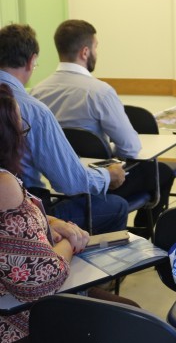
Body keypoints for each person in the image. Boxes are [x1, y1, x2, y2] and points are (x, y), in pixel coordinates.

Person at [0, 83, 138, 343]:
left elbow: (11, 226)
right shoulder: (3, 184)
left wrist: (51, 222)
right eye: (20, 130)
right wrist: (71, 244)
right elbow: (43, 280)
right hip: (11, 328)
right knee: (132, 321)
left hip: (12, 307)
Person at [31, 19, 174, 229]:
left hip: (54, 185)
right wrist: (111, 152)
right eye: (96, 47)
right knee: (162, 172)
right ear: (85, 52)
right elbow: (130, 148)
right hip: (99, 184)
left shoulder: (36, 92)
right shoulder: (99, 91)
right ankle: (143, 236)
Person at [0, 23, 128, 234]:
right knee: (117, 206)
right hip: (26, 212)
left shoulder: (38, 92)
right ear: (32, 61)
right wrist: (108, 176)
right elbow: (70, 182)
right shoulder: (33, 110)